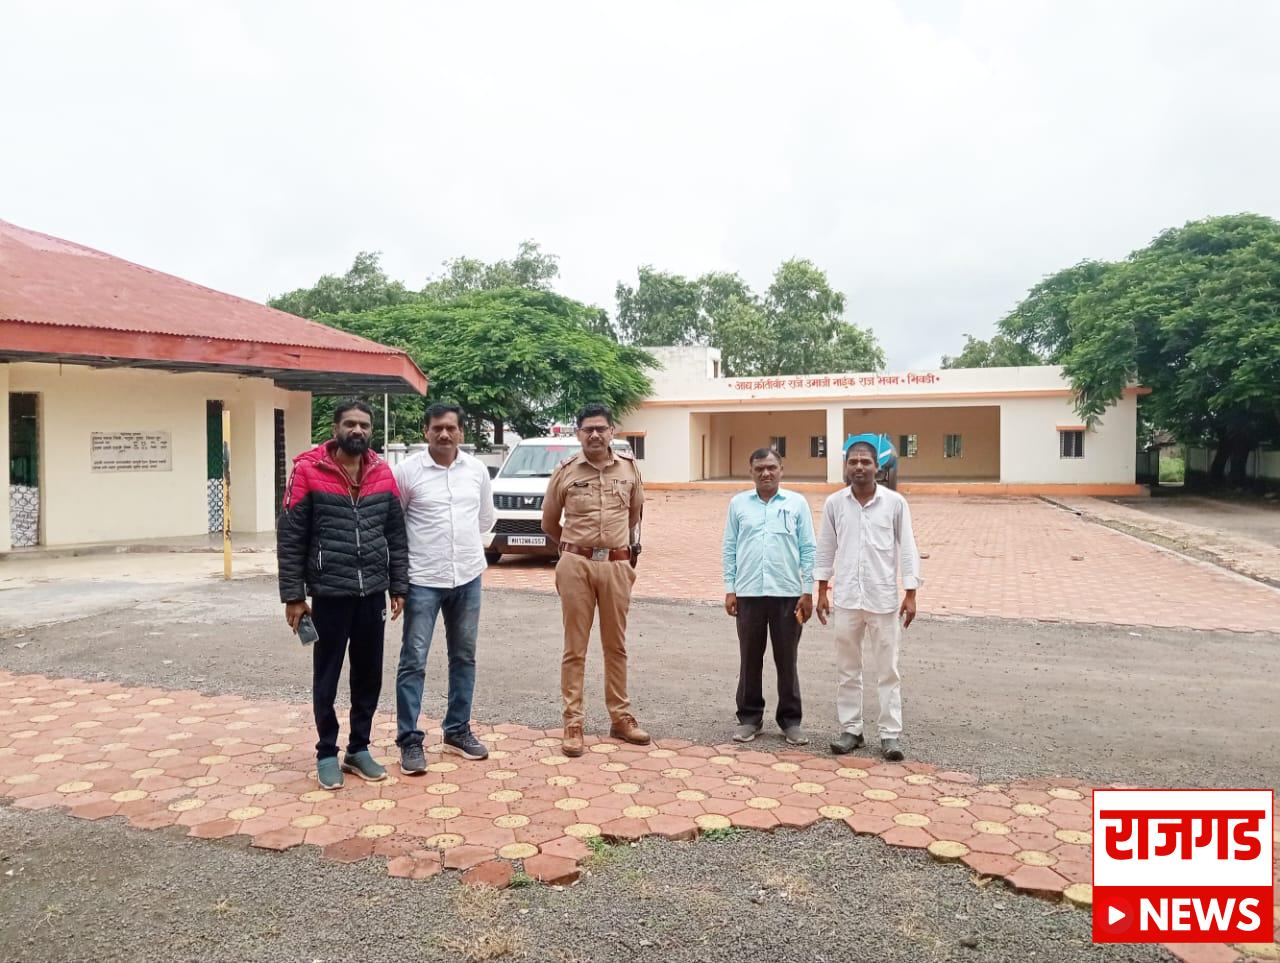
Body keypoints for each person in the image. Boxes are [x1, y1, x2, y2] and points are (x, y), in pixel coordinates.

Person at [277, 399, 408, 790]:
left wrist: (398, 585)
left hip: (372, 594)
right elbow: (291, 537)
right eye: (350, 423)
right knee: (328, 676)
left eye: (364, 425)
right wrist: (293, 596)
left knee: (368, 676)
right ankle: (326, 752)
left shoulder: (383, 472)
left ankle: (359, 749)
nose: (357, 430)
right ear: (335, 427)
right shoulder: (308, 470)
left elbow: (396, 535)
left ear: (371, 430)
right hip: (330, 593)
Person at [392, 403, 495, 774]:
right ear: (426, 432)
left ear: (462, 432)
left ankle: (457, 730)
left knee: (464, 657)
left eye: (451, 428)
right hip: (422, 580)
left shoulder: (477, 470)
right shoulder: (406, 472)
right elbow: (396, 524)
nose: (445, 434)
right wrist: (398, 580)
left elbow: (485, 517)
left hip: (467, 577)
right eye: (437, 428)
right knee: (413, 661)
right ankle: (409, 741)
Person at [540, 403, 649, 757]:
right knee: (575, 648)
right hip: (576, 566)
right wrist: (575, 551)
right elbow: (548, 522)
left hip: (617, 565)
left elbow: (634, 514)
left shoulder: (629, 471)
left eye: (601, 428)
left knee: (616, 646)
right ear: (578, 434)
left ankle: (620, 717)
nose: (595, 435)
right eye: (588, 429)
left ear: (612, 431)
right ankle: (573, 722)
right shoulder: (567, 472)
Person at [814, 434, 921, 762]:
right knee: (848, 668)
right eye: (853, 462)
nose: (859, 467)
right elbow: (825, 549)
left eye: (866, 462)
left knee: (888, 670)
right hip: (846, 598)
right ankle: (852, 730)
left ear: (879, 467)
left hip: (883, 599)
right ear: (845, 467)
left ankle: (890, 734)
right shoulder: (834, 504)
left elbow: (908, 548)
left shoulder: (894, 503)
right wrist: (821, 590)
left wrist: (911, 592)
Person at [722, 447, 816, 746]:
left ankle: (790, 721)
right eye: (760, 468)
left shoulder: (796, 503)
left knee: (787, 659)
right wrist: (730, 587)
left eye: (771, 467)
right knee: (750, 658)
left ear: (781, 469)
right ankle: (750, 718)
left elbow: (808, 548)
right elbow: (729, 547)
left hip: (788, 593)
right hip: (748, 593)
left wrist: (808, 589)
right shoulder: (739, 504)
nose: (766, 473)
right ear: (751, 471)